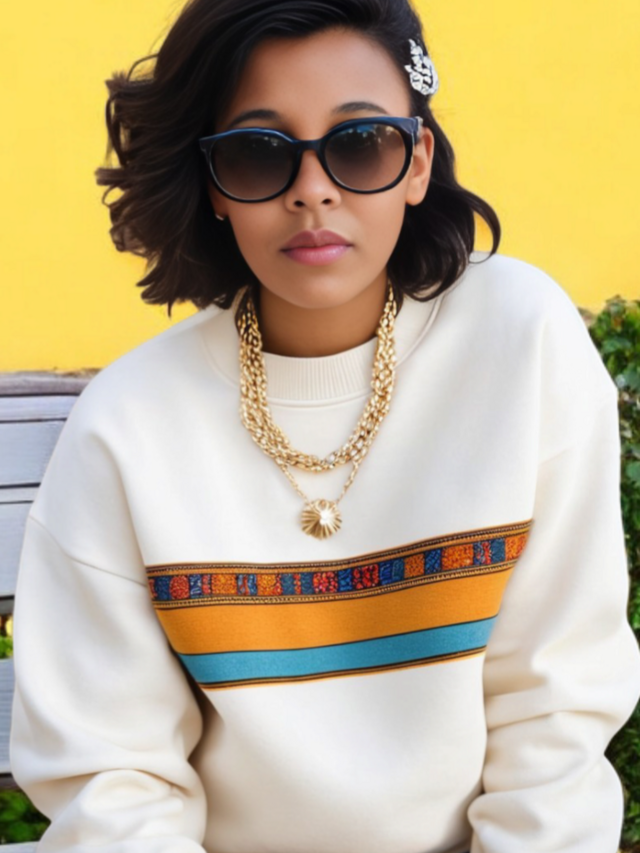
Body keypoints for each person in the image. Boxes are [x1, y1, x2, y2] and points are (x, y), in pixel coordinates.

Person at [9, 0, 640, 851]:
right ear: (213, 183)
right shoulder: (128, 425)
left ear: (417, 161)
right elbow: (111, 777)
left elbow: (553, 707)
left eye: (360, 143)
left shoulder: (520, 341)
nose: (313, 189)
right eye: (258, 152)